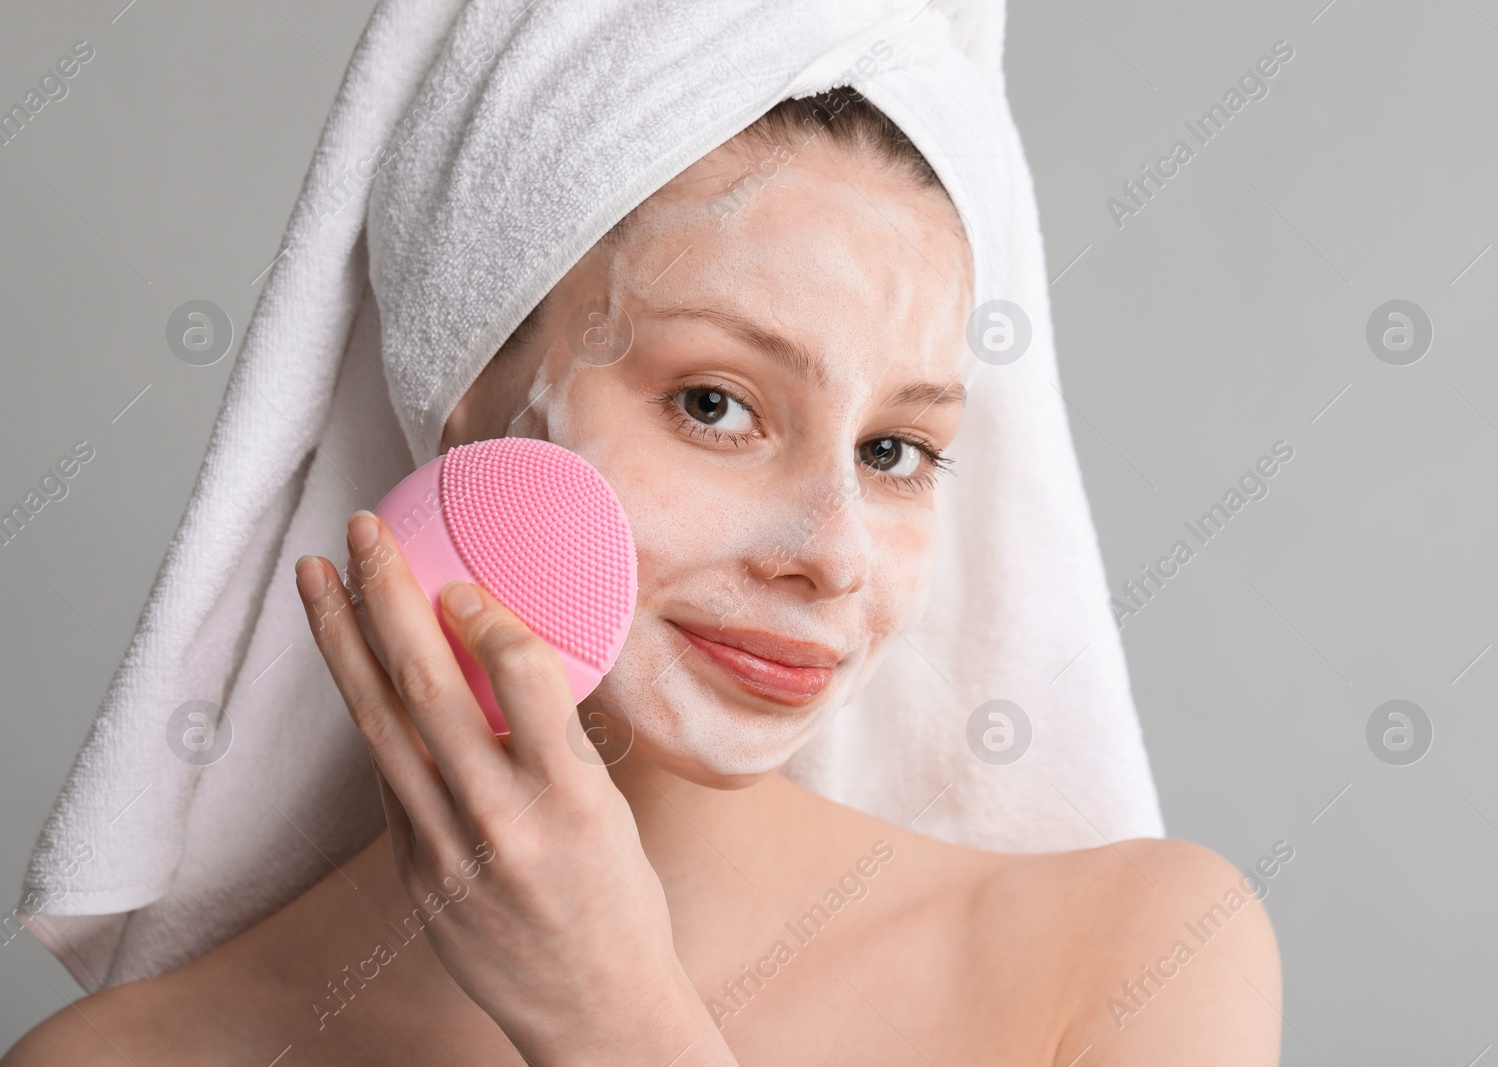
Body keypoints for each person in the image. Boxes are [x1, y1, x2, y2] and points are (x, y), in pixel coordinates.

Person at [4, 91, 1279, 1066]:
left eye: (895, 450)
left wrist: (614, 1017)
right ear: (473, 408)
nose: (833, 555)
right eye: (716, 403)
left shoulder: (1131, 960)